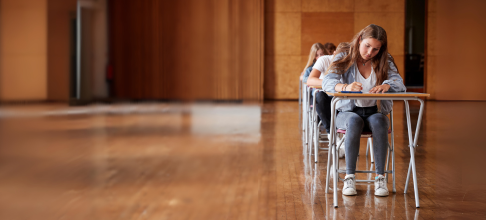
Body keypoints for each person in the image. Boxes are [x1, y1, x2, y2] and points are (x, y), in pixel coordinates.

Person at [322, 24, 406, 197]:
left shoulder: (385, 59)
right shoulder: (344, 55)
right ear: (360, 39)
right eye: (367, 46)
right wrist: (346, 86)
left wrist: (386, 85)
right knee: (354, 121)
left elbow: (400, 83)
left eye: (375, 49)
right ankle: (349, 177)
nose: (370, 52)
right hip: (347, 113)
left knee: (380, 121)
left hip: (373, 111)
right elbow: (327, 82)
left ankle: (380, 178)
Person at [306, 45, 345, 158]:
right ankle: (331, 134)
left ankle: (342, 141)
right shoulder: (324, 60)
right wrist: (331, 83)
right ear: (334, 53)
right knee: (320, 97)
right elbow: (310, 80)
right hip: (324, 93)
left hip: (340, 96)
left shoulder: (349, 64)